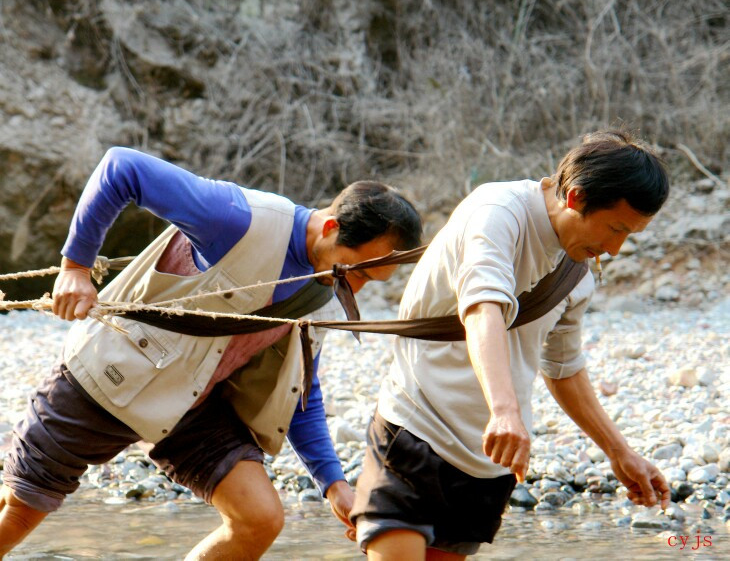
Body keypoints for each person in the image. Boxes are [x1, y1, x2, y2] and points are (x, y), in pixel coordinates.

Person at [0, 147, 422, 559]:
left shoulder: (327, 289)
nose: (356, 288)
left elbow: (299, 389)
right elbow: (121, 167)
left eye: (372, 279)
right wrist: (75, 268)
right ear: (330, 227)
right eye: (357, 270)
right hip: (110, 378)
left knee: (259, 518)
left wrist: (334, 483)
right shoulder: (236, 218)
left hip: (191, 404)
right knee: (18, 512)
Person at [350, 129, 672, 559]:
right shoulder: (497, 212)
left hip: (493, 459)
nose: (614, 249)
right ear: (575, 197)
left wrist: (620, 452)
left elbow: (564, 367)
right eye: (615, 228)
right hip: (416, 428)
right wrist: (505, 411)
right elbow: (484, 308)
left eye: (629, 235)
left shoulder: (578, 274)